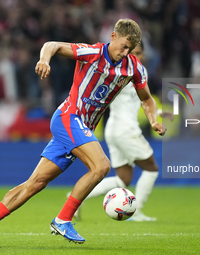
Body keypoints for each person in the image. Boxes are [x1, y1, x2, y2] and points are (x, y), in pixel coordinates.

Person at [0, 18, 166, 248]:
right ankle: (63, 219)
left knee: (36, 183)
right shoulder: (92, 52)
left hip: (81, 128)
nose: (125, 52)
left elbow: (147, 99)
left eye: (130, 49)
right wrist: (45, 59)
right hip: (68, 118)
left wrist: (153, 120)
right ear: (112, 37)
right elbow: (51, 45)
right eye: (123, 46)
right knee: (101, 166)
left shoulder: (134, 67)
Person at [69, 43, 173, 222]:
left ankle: (77, 196)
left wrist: (157, 113)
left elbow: (141, 101)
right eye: (136, 53)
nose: (141, 57)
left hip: (115, 130)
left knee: (123, 180)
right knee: (152, 169)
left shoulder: (138, 72)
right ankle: (136, 211)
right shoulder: (120, 73)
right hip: (126, 130)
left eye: (142, 53)